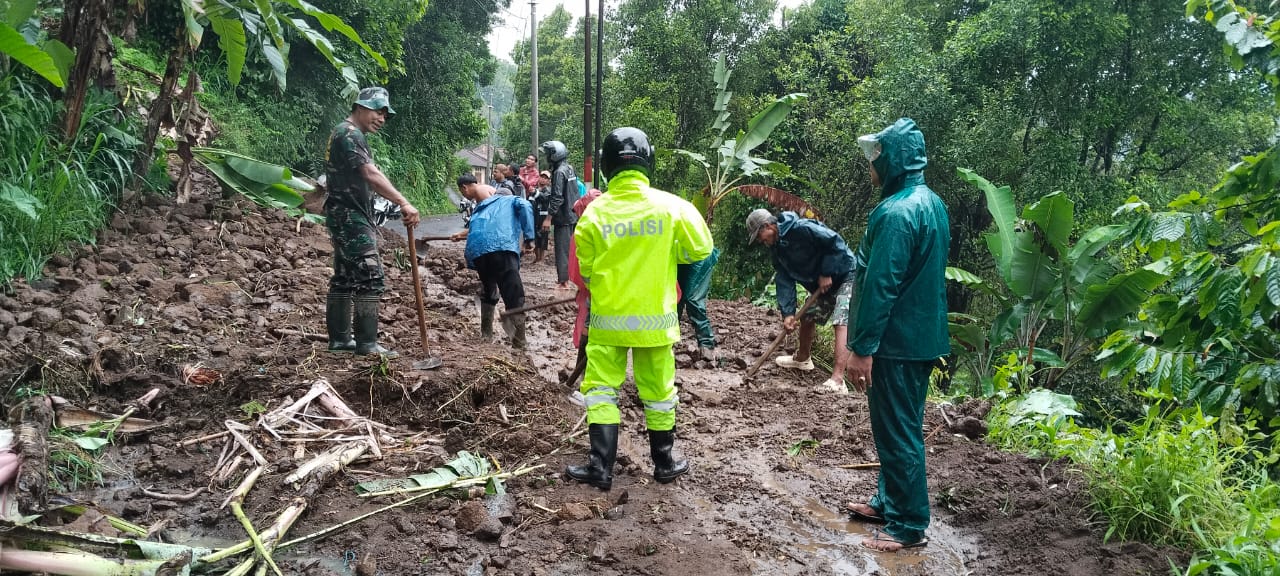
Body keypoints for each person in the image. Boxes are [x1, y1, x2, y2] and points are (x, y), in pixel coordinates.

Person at [565, 127, 713, 491]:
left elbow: (582, 270)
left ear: (607, 166)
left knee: (600, 389)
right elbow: (701, 250)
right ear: (649, 163)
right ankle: (664, 463)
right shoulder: (673, 207)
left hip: (608, 323)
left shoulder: (595, 214)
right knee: (660, 392)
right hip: (656, 324)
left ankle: (601, 468)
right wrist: (665, 254)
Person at [844, 118, 950, 553]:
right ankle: (888, 501)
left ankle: (907, 525)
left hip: (896, 343)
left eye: (876, 159)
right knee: (901, 427)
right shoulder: (931, 203)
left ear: (893, 162)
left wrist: (862, 347)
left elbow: (881, 285)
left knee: (897, 432)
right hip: (920, 340)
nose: (871, 168)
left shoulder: (894, 213)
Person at [323, 86, 421, 358]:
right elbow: (370, 173)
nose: (381, 118)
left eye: (385, 114)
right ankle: (367, 344)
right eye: (378, 111)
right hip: (350, 216)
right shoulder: (350, 134)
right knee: (371, 276)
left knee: (343, 277)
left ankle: (341, 340)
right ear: (361, 107)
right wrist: (403, 201)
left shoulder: (343, 132)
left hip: (343, 213)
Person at [746, 208, 856, 394]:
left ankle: (838, 380)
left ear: (768, 226)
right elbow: (784, 280)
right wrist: (788, 314)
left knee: (840, 321)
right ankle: (803, 359)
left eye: (759, 235)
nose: (760, 241)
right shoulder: (777, 250)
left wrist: (827, 271)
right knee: (807, 315)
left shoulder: (801, 228)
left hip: (846, 274)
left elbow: (834, 241)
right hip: (822, 285)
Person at [450, 174, 536, 349]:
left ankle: (486, 334)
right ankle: (519, 341)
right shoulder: (511, 200)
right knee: (513, 292)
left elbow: (478, 229)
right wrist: (529, 238)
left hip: (479, 253)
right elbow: (526, 205)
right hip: (501, 248)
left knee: (489, 289)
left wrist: (461, 234)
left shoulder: (480, 210)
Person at [540, 140, 579, 289]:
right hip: (574, 215)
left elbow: (557, 197)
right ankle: (572, 279)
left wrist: (548, 218)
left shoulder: (558, 172)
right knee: (573, 250)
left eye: (549, 154)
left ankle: (563, 281)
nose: (547, 157)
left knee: (562, 250)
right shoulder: (569, 169)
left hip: (563, 218)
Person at [677, 247, 721, 361]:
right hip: (680, 258)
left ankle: (707, 346)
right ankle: (669, 341)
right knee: (676, 298)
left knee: (693, 299)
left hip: (699, 255)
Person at [529, 170, 553, 264]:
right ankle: (537, 257)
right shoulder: (534, 189)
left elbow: (545, 198)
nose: (543, 179)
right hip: (534, 215)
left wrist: (535, 193)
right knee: (535, 236)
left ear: (548, 181)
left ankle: (542, 258)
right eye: (541, 177)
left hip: (543, 216)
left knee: (543, 236)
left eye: (545, 178)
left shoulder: (548, 191)